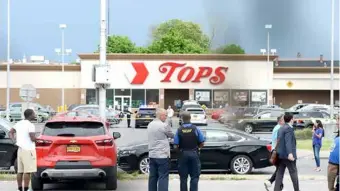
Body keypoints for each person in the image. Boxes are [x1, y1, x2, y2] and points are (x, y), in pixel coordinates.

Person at [174, 111, 205, 191]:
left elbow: (176, 145)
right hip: (194, 154)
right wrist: (198, 148)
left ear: (182, 119)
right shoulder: (196, 129)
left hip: (183, 154)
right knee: (194, 176)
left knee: (183, 177)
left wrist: (179, 152)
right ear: (190, 118)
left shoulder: (179, 130)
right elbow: (202, 142)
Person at [8, 109, 37, 191]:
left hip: (20, 149)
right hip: (28, 149)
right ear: (30, 115)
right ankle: (26, 189)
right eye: (34, 114)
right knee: (27, 171)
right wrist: (38, 139)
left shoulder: (19, 123)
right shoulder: (31, 125)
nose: (35, 115)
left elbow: (10, 132)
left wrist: (14, 141)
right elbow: (32, 138)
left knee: (20, 171)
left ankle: (20, 188)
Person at [147, 108, 174, 191]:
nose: (166, 117)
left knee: (153, 177)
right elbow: (172, 135)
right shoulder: (164, 125)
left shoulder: (150, 124)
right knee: (163, 176)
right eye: (165, 115)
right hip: (162, 155)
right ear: (160, 115)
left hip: (152, 154)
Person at [274, 113, 300, 191]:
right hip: (288, 156)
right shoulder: (289, 129)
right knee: (293, 173)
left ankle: (276, 189)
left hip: (280, 155)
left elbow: (278, 141)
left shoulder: (281, 128)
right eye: (293, 118)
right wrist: (290, 153)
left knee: (279, 174)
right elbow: (288, 142)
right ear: (291, 119)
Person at [264, 115, 284, 191]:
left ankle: (279, 186)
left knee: (279, 169)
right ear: (279, 121)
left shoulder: (277, 127)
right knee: (280, 170)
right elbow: (278, 140)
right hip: (277, 151)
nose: (284, 121)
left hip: (275, 151)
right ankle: (270, 182)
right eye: (283, 120)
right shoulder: (279, 128)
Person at [327, 116, 339, 191]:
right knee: (330, 185)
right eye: (337, 123)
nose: (337, 124)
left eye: (338, 123)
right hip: (333, 162)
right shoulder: (337, 133)